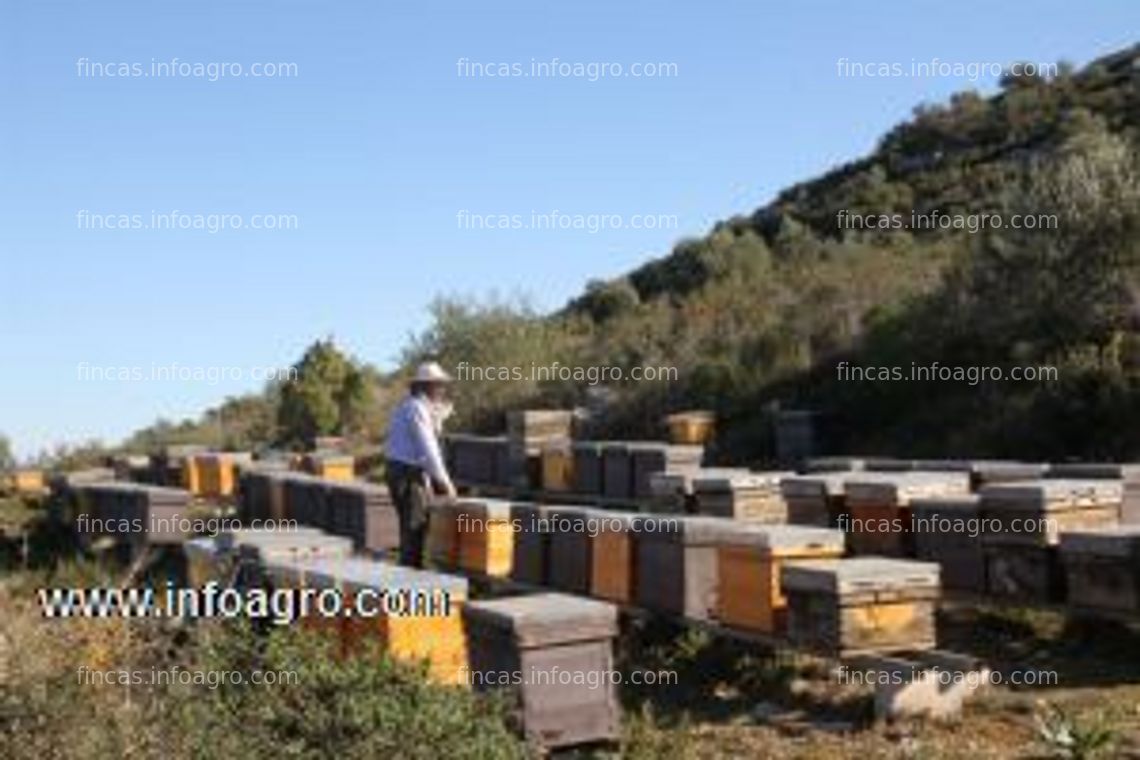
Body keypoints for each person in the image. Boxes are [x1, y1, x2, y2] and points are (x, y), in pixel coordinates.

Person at [385, 361, 457, 567]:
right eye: (439, 385)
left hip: (403, 471)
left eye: (443, 385)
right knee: (415, 527)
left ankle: (410, 575)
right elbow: (428, 449)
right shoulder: (417, 409)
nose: (442, 390)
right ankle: (410, 583)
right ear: (426, 386)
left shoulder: (411, 406)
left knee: (413, 527)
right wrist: (445, 483)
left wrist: (438, 420)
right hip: (405, 474)